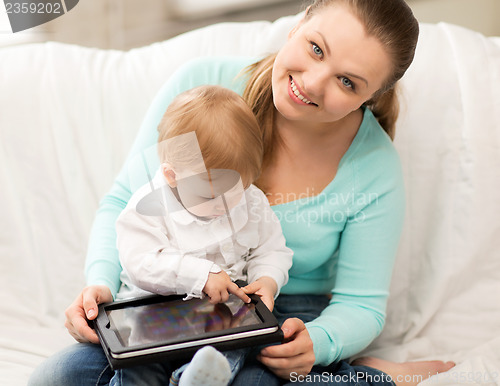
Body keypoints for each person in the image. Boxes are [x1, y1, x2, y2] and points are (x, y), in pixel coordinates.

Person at [29, 0, 456, 385]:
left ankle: (363, 376)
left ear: (372, 96)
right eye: (316, 48)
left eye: (347, 82)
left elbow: (362, 306)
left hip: (278, 311)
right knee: (59, 377)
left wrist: (319, 343)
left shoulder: (373, 168)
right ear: (299, 24)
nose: (312, 83)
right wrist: (99, 285)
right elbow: (128, 204)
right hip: (165, 302)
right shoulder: (202, 92)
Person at [114, 85, 293, 386]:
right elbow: (140, 263)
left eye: (235, 193)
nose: (223, 207)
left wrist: (267, 280)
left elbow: (272, 249)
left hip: (220, 318)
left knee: (236, 346)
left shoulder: (252, 200)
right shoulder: (148, 207)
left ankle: (191, 380)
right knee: (137, 368)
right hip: (154, 319)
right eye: (210, 197)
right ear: (172, 176)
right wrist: (202, 275)